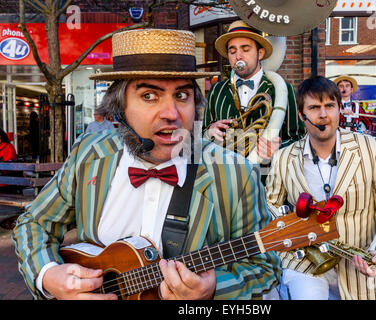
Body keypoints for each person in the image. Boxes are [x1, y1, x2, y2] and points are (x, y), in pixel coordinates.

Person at [12, 28, 280, 300]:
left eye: (182, 96)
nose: (171, 114)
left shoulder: (235, 173)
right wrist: (47, 274)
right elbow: (34, 222)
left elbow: (264, 268)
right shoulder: (90, 154)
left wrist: (213, 291)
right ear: (120, 107)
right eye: (149, 96)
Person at [265, 76, 376, 300]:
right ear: (301, 115)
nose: (323, 115)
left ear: (339, 109)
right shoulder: (283, 157)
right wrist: (292, 232)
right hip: (305, 263)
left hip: (358, 270)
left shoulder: (374, 149)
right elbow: (269, 205)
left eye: (330, 106)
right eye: (314, 108)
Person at [203, 20, 304, 163]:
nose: (238, 56)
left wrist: (279, 148)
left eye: (245, 49)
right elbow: (202, 134)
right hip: (224, 177)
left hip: (267, 178)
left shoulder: (282, 89)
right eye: (232, 51)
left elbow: (298, 139)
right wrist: (209, 132)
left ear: (260, 53)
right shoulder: (217, 90)